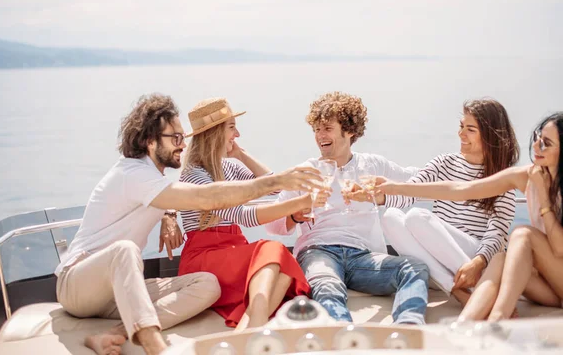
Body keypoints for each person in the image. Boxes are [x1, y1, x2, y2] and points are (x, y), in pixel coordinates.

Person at [54, 94, 324, 355]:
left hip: (114, 291)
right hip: (79, 284)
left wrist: (168, 215)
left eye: (182, 137)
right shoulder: (133, 173)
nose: (182, 145)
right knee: (125, 250)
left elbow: (170, 195)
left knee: (207, 285)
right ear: (149, 141)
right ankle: (156, 348)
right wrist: (278, 182)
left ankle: (113, 333)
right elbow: (207, 197)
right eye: (176, 138)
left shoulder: (155, 178)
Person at [369, 112, 563, 321]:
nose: (535, 146)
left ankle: (498, 318)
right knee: (500, 258)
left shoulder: (536, 181)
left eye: (546, 143)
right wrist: (394, 188)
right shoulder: (526, 175)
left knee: (523, 233)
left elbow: (559, 247)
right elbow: (461, 189)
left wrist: (544, 198)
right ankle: (464, 327)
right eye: (537, 138)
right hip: (547, 287)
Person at [266, 91, 430, 325]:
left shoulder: (373, 165)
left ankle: (408, 326)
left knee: (414, 267)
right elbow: (272, 225)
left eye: (327, 129)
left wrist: (382, 195)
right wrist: (294, 215)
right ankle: (344, 338)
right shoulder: (306, 171)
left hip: (364, 256)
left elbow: (415, 184)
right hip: (319, 252)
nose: (320, 136)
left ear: (350, 131)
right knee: (327, 286)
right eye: (316, 130)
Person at [348, 99, 519, 304]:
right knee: (389, 216)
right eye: (461, 126)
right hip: (440, 254)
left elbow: (498, 232)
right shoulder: (444, 163)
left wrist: (478, 262)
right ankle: (455, 288)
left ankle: (476, 286)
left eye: (470, 129)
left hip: (475, 256)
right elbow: (409, 192)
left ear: (490, 134)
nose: (461, 134)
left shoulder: (503, 176)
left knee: (417, 216)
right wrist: (377, 196)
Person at [178, 98, 316, 331]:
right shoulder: (194, 177)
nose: (238, 134)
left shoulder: (231, 167)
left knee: (286, 267)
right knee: (273, 250)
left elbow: (275, 188)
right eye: (231, 127)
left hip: (232, 253)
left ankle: (248, 331)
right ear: (214, 132)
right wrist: (301, 202)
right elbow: (244, 217)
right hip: (204, 258)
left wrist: (241, 155)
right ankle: (258, 329)